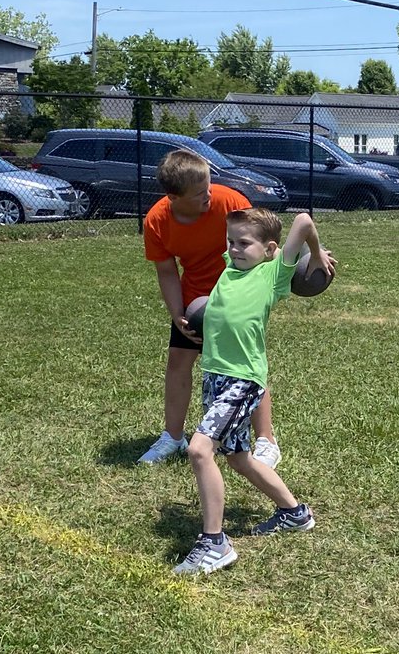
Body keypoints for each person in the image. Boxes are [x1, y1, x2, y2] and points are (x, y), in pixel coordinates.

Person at [172, 208, 336, 575]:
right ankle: (295, 513)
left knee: (200, 450)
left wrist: (316, 252)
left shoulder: (273, 275)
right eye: (231, 243)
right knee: (238, 457)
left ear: (269, 249)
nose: (234, 249)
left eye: (244, 243)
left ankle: (215, 543)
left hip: (242, 380)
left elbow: (305, 220)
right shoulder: (231, 269)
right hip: (214, 376)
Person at [139, 149, 282, 468]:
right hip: (197, 299)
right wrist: (178, 314)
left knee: (246, 367)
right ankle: (173, 438)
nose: (209, 194)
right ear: (174, 197)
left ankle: (266, 441)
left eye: (208, 186)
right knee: (178, 360)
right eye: (200, 193)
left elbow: (264, 243)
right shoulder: (157, 221)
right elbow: (166, 271)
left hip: (237, 293)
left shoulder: (229, 201)